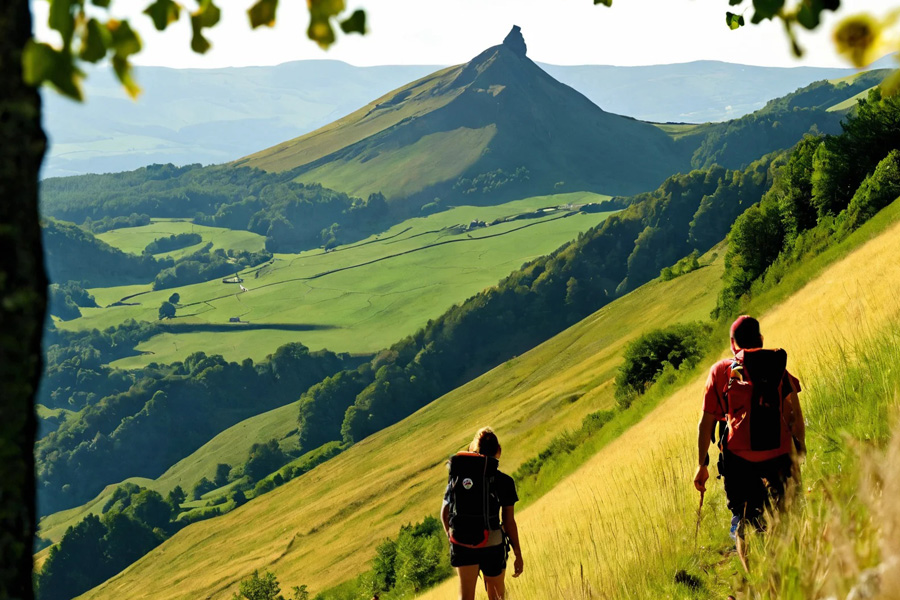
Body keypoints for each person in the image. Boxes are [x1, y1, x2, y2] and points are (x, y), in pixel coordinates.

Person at [693, 315, 806, 563]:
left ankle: (755, 581)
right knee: (788, 515)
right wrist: (800, 450)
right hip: (780, 454)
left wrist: (701, 465)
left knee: (745, 522)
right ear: (761, 339)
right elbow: (796, 416)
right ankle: (793, 566)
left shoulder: (720, 371)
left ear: (733, 344)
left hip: (740, 461)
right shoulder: (778, 367)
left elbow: (705, 425)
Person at [441, 427, 523, 600]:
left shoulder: (458, 477)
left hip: (462, 542)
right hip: (492, 542)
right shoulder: (505, 481)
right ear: (498, 451)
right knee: (497, 596)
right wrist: (517, 553)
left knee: (466, 597)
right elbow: (508, 523)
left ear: (472, 450)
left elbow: (445, 512)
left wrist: (454, 537)